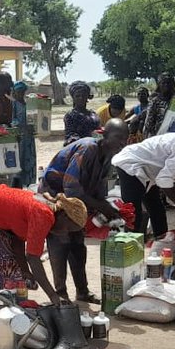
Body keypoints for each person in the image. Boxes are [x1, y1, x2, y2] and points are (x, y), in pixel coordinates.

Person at [0, 183, 87, 346]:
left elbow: (17, 238)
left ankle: (4, 321)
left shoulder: (45, 209)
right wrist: (53, 296)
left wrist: (24, 270)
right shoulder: (44, 214)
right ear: (63, 215)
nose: (65, 233)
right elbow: (33, 257)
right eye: (68, 228)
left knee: (9, 265)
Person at [41, 120, 130, 302]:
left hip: (76, 202)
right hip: (55, 196)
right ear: (104, 135)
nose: (122, 143)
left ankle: (82, 291)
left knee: (78, 245)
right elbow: (71, 187)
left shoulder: (107, 156)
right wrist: (100, 206)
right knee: (60, 242)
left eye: (125, 139)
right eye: (118, 138)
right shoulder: (88, 148)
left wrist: (106, 208)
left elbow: (98, 188)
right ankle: (60, 293)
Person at [11, 81, 38, 188]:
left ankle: (28, 185)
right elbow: (12, 121)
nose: (20, 94)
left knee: (29, 161)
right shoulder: (13, 105)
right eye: (18, 92)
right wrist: (21, 126)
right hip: (19, 139)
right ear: (14, 92)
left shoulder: (29, 104)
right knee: (19, 163)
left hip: (29, 139)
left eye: (22, 92)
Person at [136, 73, 175, 139]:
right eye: (163, 83)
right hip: (157, 137)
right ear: (159, 85)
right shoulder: (155, 101)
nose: (166, 85)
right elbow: (148, 123)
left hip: (174, 137)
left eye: (168, 83)